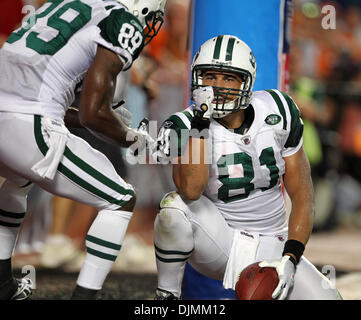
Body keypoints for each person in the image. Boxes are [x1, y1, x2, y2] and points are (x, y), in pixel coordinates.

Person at [0, 0, 167, 300]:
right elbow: (93, 114)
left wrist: (108, 121)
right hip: (30, 125)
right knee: (121, 198)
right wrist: (136, 139)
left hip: (9, 115)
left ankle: (2, 285)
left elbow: (53, 104)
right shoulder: (120, 19)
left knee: (17, 181)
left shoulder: (57, 5)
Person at [153, 35, 341, 300]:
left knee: (329, 298)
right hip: (220, 241)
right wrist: (201, 121)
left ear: (247, 82)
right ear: (196, 79)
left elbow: (303, 195)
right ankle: (167, 296)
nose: (217, 86)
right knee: (174, 207)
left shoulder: (278, 110)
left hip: (274, 244)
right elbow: (191, 190)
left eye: (228, 78)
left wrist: (290, 257)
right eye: (209, 76)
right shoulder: (184, 123)